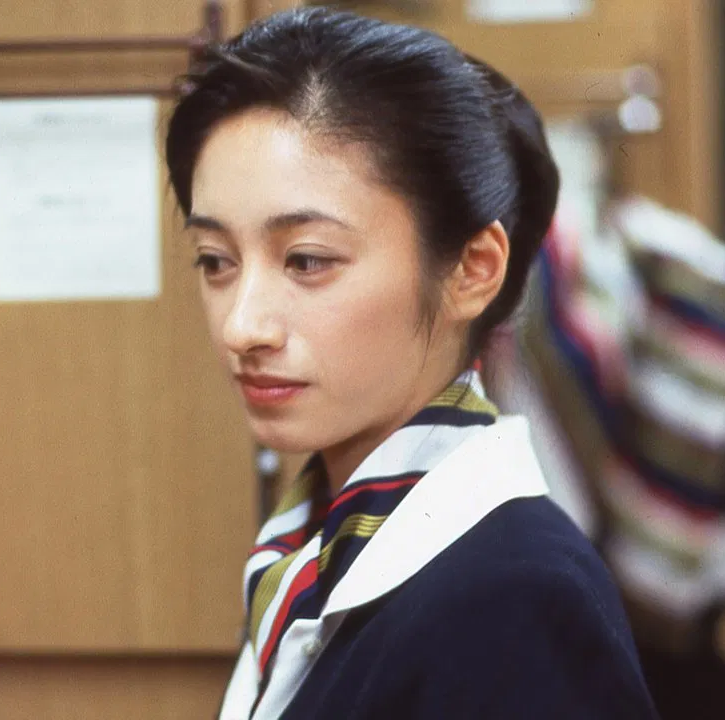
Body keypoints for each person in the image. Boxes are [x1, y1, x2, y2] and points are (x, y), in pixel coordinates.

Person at [164, 8, 659, 719]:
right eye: (216, 261)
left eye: (307, 260)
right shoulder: (313, 551)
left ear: (472, 269)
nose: (243, 327)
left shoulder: (516, 598)